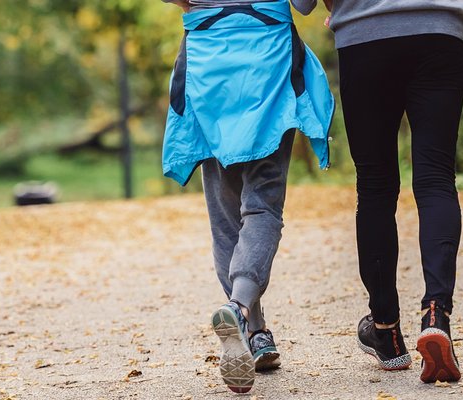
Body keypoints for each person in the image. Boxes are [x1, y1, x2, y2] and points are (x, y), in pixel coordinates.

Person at [161, 0, 334, 393]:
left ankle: (253, 331)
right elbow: (305, 4)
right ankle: (241, 313)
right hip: (268, 62)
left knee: (225, 219)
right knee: (262, 205)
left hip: (210, 66)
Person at [325, 0, 463, 384]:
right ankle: (436, 314)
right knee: (437, 177)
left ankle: (386, 332)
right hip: (440, 29)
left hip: (364, 36)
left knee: (374, 187)